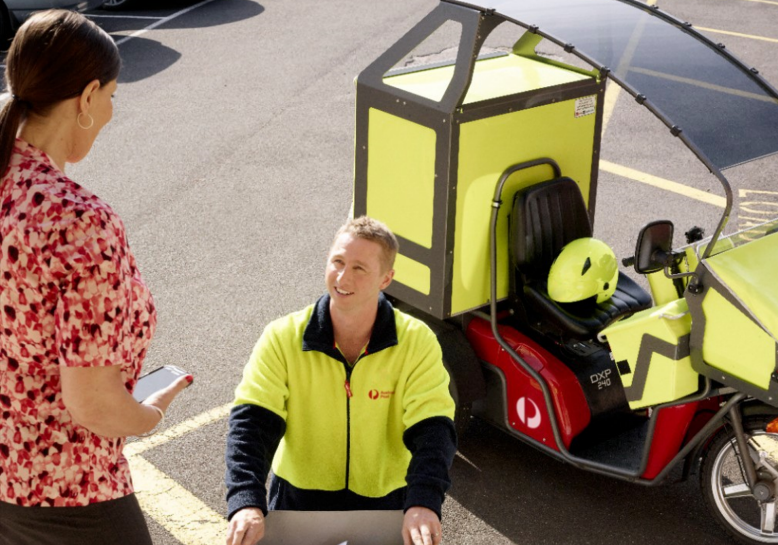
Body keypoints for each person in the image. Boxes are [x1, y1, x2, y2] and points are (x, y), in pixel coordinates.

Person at [0, 10, 191, 545]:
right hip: (65, 488)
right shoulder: (78, 220)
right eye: (110, 95)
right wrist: (149, 414)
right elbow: (93, 405)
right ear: (86, 97)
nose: (110, 109)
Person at [225, 216, 457, 545]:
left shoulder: (417, 341)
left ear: (386, 279)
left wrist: (424, 501)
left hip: (387, 502)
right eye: (337, 262)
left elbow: (434, 429)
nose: (343, 277)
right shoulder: (281, 337)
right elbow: (251, 424)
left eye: (359, 268)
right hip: (299, 500)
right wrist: (245, 500)